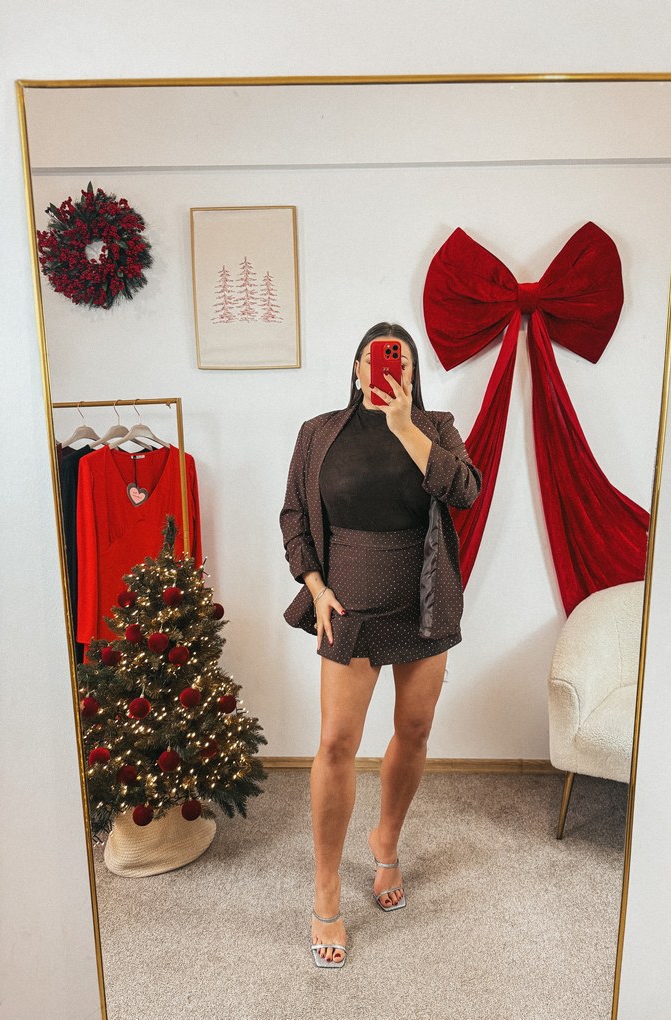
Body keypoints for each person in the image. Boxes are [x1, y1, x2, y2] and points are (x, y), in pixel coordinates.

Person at [279, 322, 481, 969]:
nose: (385, 369)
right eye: (374, 359)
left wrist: (404, 427)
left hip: (423, 599)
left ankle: (385, 840)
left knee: (414, 729)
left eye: (398, 361)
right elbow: (294, 516)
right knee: (336, 741)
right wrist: (314, 586)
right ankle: (326, 886)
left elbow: (464, 491)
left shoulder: (435, 427)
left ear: (411, 372)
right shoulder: (318, 433)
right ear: (357, 367)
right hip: (349, 602)